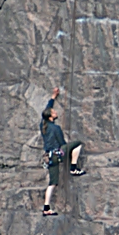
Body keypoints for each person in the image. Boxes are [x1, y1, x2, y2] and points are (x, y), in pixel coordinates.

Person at [40, 87, 84, 216]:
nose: (55, 112)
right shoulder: (56, 128)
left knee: (52, 182)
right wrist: (68, 153)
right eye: (54, 112)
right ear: (51, 117)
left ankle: (46, 208)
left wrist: (53, 97)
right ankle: (74, 168)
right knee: (77, 144)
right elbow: (62, 143)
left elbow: (46, 109)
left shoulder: (43, 125)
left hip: (49, 157)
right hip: (58, 153)